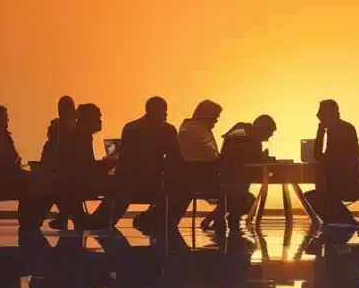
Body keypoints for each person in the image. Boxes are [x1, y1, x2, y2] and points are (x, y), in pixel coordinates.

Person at [95, 97, 187, 232]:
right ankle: (155, 221)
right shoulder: (167, 130)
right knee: (178, 189)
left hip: (128, 180)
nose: (165, 115)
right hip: (152, 182)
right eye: (164, 111)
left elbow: (125, 156)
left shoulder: (131, 127)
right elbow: (175, 157)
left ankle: (101, 221)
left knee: (116, 192)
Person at [25, 103, 114, 229]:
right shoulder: (79, 138)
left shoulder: (79, 136)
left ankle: (75, 217)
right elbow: (83, 168)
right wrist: (105, 165)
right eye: (98, 118)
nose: (100, 121)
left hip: (70, 181)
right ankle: (98, 220)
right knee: (117, 186)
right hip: (76, 182)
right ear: (88, 120)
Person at [302, 100, 359, 228]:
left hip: (345, 182)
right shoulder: (336, 129)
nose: (317, 115)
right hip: (339, 181)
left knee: (313, 197)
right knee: (312, 196)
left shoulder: (343, 130)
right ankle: (342, 221)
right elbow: (319, 156)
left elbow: (323, 158)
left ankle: (345, 221)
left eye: (321, 113)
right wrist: (321, 132)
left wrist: (320, 131)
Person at [216, 115, 277, 230]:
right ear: (262, 128)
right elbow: (242, 158)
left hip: (231, 177)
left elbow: (248, 157)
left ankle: (219, 221)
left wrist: (260, 158)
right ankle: (230, 225)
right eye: (270, 132)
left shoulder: (246, 134)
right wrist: (262, 159)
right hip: (232, 178)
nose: (270, 136)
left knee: (239, 200)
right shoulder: (244, 135)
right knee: (247, 202)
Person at [179, 100, 227, 230]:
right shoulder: (196, 130)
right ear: (207, 115)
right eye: (215, 117)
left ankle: (215, 220)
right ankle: (216, 220)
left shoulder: (191, 128)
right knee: (241, 196)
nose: (216, 121)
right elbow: (212, 156)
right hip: (200, 179)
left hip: (193, 177)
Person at [37, 96, 79, 230]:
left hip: (59, 172)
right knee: (62, 185)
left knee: (61, 185)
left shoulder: (61, 127)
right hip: (59, 173)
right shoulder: (63, 129)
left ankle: (65, 216)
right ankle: (67, 216)